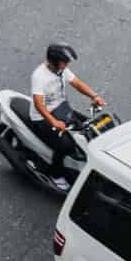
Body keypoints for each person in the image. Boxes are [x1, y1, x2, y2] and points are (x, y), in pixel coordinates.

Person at [28, 43, 107, 186]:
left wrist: (94, 96)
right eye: (64, 62)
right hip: (43, 117)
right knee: (66, 145)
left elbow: (77, 83)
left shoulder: (61, 70)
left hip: (61, 109)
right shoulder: (39, 76)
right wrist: (53, 122)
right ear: (54, 61)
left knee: (91, 128)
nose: (67, 65)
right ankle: (55, 175)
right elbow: (38, 104)